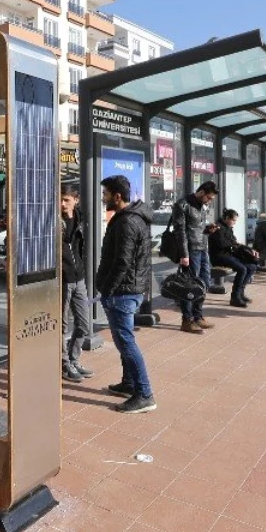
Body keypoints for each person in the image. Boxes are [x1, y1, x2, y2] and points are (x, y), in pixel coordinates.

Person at [95, 175, 155, 413]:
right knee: (124, 341)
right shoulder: (129, 218)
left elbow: (123, 262)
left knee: (126, 342)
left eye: (106, 194)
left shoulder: (127, 222)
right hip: (126, 289)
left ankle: (144, 393)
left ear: (117, 196)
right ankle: (129, 384)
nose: (104, 198)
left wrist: (108, 290)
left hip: (123, 291)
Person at [171, 181, 220, 334]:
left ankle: (198, 316)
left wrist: (208, 230)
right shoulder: (182, 205)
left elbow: (197, 228)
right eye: (209, 198)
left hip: (202, 248)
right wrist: (184, 254)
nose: (209, 201)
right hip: (191, 250)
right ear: (201, 192)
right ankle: (187, 320)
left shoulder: (202, 206)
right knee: (189, 286)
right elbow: (181, 231)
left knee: (204, 283)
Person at [60, 184, 95, 382]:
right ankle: (64, 365)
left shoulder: (80, 219)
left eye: (66, 199)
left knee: (83, 323)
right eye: (60, 199)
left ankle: (74, 360)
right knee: (62, 325)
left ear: (76, 200)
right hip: (63, 279)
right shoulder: (54, 221)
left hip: (78, 277)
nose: (62, 203)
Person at [209, 209, 258, 308]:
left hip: (229, 255)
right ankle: (234, 297)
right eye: (233, 220)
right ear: (227, 218)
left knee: (251, 266)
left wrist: (249, 249)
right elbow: (223, 244)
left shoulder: (228, 227)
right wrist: (234, 245)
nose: (234, 223)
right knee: (242, 269)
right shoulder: (218, 227)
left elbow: (234, 241)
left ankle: (240, 293)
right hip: (219, 256)